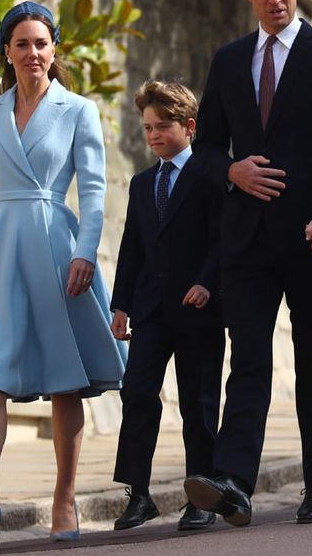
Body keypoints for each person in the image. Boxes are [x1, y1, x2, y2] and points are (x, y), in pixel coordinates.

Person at [182, 0, 312, 526]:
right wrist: (231, 171)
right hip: (247, 240)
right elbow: (207, 147)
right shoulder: (230, 60)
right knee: (250, 362)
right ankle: (234, 479)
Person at [0, 1, 127, 544]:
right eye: (22, 44)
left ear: (54, 49)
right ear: (7, 52)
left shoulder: (78, 110)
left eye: (41, 43)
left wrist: (87, 251)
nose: (33, 53)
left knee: (66, 380)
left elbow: (91, 191)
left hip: (57, 250)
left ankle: (65, 501)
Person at [109, 81, 225, 532]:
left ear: (189, 127)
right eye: (147, 128)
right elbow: (132, 248)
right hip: (152, 310)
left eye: (163, 126)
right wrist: (120, 305)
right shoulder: (142, 184)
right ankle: (137, 494)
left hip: (198, 309)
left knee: (198, 404)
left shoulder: (211, 176)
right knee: (137, 393)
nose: (154, 135)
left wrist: (206, 283)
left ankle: (201, 496)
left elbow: (223, 239)